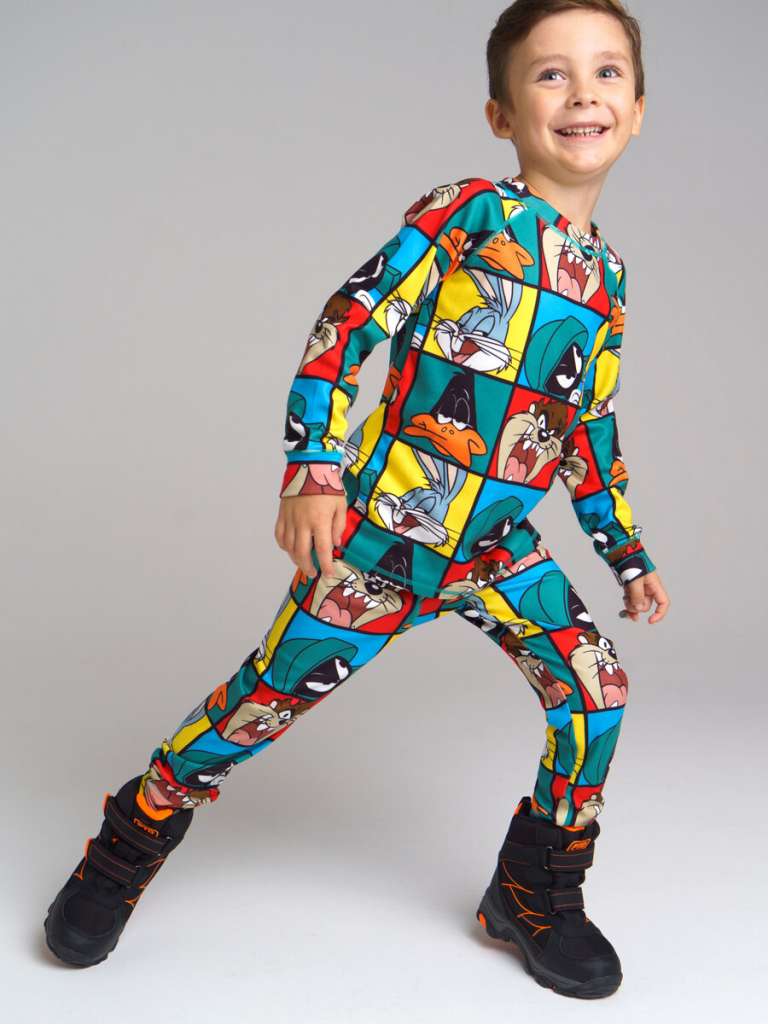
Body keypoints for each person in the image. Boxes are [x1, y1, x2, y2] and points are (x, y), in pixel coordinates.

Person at [44, 0, 670, 998]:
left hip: (498, 547)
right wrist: (315, 467)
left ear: (637, 110)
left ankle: (532, 890)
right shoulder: (471, 212)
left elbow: (586, 430)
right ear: (501, 114)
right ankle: (132, 835)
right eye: (550, 74)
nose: (582, 94)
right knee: (257, 705)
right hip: (386, 539)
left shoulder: (611, 279)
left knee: (597, 694)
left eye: (607, 74)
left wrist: (625, 554)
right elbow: (349, 322)